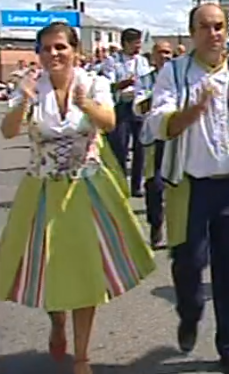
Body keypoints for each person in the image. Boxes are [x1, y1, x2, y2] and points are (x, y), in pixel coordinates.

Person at [0, 22, 155, 374]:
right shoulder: (31, 87)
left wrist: (85, 103)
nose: (53, 54)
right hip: (42, 187)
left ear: (74, 51)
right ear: (38, 53)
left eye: (60, 47)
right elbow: (8, 132)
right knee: (51, 268)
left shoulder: (94, 82)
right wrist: (23, 97)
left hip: (85, 187)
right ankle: (57, 323)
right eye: (46, 48)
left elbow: (111, 122)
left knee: (85, 271)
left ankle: (82, 356)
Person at [145, 3, 229, 374]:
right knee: (188, 263)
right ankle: (189, 310)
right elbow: (158, 124)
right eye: (205, 27)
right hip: (189, 187)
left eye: (219, 26)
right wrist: (192, 111)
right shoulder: (175, 73)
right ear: (192, 33)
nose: (213, 33)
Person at [133, 39, 175, 248]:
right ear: (153, 56)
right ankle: (156, 224)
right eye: (161, 53)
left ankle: (180, 232)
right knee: (154, 186)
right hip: (153, 141)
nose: (165, 56)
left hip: (177, 140)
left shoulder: (181, 78)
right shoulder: (145, 80)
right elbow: (137, 108)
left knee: (179, 186)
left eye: (168, 53)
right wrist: (157, 95)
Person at [103, 28, 153, 197]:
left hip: (138, 106)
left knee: (140, 147)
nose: (138, 47)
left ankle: (137, 185)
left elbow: (147, 83)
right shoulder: (112, 61)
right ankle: (120, 183)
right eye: (135, 43)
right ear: (125, 43)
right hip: (121, 106)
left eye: (139, 43)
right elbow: (108, 85)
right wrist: (122, 84)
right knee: (120, 147)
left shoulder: (143, 62)